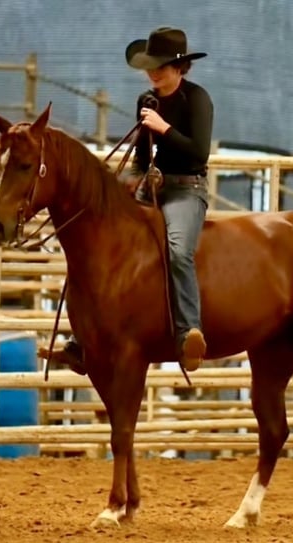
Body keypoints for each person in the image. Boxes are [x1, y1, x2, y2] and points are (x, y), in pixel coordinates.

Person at [60, 26, 213, 374]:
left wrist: (163, 128)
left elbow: (198, 151)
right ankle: (82, 338)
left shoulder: (197, 99)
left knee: (178, 250)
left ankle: (188, 330)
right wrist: (131, 179)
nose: (153, 72)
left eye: (160, 65)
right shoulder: (147, 101)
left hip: (187, 190)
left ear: (179, 67)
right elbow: (142, 157)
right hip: (151, 187)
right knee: (98, 240)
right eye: (150, 65)